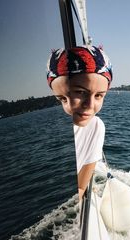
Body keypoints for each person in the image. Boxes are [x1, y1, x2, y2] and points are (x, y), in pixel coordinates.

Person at [46, 46, 112, 201]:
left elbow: (81, 187)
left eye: (99, 96)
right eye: (80, 93)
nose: (89, 105)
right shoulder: (55, 129)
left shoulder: (95, 127)